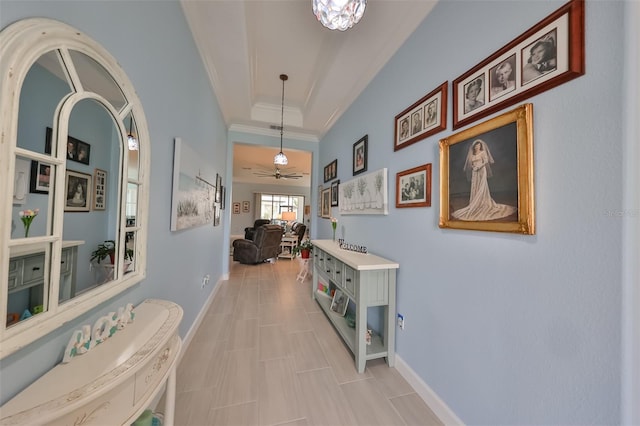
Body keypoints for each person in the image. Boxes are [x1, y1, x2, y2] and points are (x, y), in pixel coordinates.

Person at [451, 139, 516, 221]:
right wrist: (473, 167)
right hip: (475, 171)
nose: (477, 147)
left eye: (479, 145)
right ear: (474, 147)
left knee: (482, 186)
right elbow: (470, 163)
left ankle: (483, 202)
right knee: (475, 186)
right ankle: (475, 203)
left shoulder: (483, 153)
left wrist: (478, 166)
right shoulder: (472, 155)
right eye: (476, 146)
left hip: (481, 170)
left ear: (480, 146)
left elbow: (485, 161)